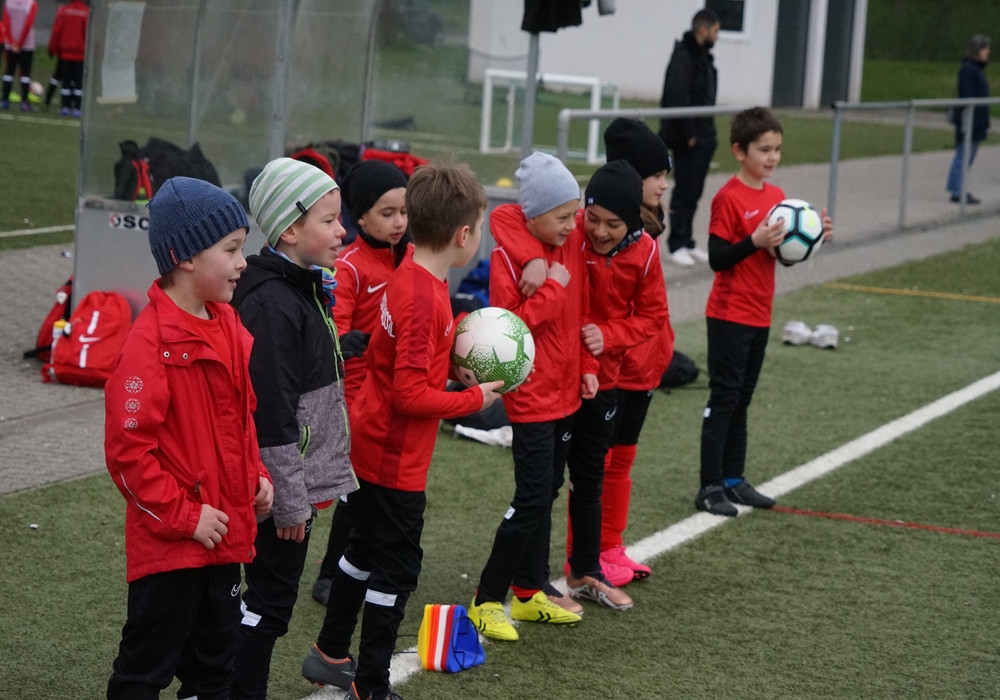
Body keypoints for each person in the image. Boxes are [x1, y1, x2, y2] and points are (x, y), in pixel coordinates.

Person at [301, 162, 504, 700]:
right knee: (397, 569)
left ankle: (330, 652)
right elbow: (408, 396)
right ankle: (371, 685)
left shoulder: (411, 272)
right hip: (393, 460)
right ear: (463, 235)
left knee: (361, 552)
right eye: (480, 229)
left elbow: (396, 365)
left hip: (373, 444)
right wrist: (473, 399)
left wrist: (451, 367)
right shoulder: (423, 297)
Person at [104, 177, 274, 699]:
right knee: (144, 671)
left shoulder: (228, 323)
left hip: (223, 539)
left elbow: (241, 419)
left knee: (215, 671)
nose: (243, 262)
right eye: (232, 249)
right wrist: (184, 517)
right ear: (185, 258)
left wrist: (255, 475)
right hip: (173, 548)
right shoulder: (146, 345)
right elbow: (128, 454)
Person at [228, 157, 359, 698]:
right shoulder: (274, 302)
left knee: (266, 602)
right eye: (329, 221)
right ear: (289, 229)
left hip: (288, 484)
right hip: (277, 490)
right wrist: (288, 501)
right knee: (268, 605)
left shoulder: (300, 285)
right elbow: (272, 415)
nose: (342, 230)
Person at [467, 152, 596, 642]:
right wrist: (550, 285)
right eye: (562, 217)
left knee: (548, 492)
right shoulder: (509, 258)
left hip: (566, 391)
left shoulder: (567, 239)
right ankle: (485, 599)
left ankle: (529, 590)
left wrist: (587, 368)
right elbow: (510, 328)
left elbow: (581, 310)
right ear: (535, 216)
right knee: (531, 497)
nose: (572, 225)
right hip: (533, 394)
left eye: (573, 214)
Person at [696, 106, 833, 517]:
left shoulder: (778, 198)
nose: (772, 157)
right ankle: (709, 486)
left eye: (777, 149)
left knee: (743, 398)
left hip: (759, 314)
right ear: (740, 151)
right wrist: (754, 241)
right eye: (764, 149)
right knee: (724, 398)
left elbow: (781, 258)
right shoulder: (728, 198)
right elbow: (718, 258)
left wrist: (813, 240)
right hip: (728, 314)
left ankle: (734, 480)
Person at [310, 159, 411, 607]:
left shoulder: (411, 258)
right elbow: (337, 335)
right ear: (361, 218)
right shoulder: (348, 267)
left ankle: (363, 564)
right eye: (387, 213)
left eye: (404, 212)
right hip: (356, 398)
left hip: (395, 394)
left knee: (380, 491)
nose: (399, 222)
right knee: (355, 491)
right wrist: (361, 343)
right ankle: (330, 575)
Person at [591, 117, 676, 580]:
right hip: (613, 369)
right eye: (655, 175)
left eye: (665, 175)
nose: (663, 184)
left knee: (622, 460)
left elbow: (653, 311)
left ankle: (612, 546)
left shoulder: (650, 232)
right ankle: (588, 557)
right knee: (598, 466)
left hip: (645, 366)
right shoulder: (605, 236)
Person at [658, 8, 720, 268]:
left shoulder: (704, 58)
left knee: (695, 192)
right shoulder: (683, 57)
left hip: (704, 137)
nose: (717, 36)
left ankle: (688, 240)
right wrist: (690, 135)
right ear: (702, 30)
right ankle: (676, 243)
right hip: (687, 139)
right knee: (684, 191)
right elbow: (675, 98)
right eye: (715, 31)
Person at [946, 35, 991, 205]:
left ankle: (957, 187)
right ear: (977, 50)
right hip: (968, 120)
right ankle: (957, 191)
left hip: (977, 120)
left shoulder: (976, 70)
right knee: (964, 154)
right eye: (984, 49)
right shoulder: (968, 69)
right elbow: (966, 95)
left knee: (968, 155)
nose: (987, 53)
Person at [46, 0, 88, 117]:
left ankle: (64, 107)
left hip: (65, 53)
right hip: (80, 54)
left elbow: (57, 30)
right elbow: (87, 33)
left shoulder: (64, 11)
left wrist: (52, 48)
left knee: (66, 82)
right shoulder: (86, 12)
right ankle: (77, 108)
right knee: (78, 82)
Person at [1, 0, 38, 112]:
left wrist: (12, 41)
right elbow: (28, 23)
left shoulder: (8, 2)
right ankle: (24, 103)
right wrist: (20, 43)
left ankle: (4, 101)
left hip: (10, 45)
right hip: (26, 44)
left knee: (9, 72)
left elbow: (6, 21)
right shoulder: (31, 3)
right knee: (25, 73)